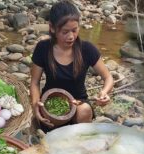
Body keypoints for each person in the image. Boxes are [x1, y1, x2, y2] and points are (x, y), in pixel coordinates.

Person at [30, 1, 114, 131]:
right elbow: (35, 82)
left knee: (84, 111)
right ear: (52, 28)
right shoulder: (43, 48)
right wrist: (36, 104)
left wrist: (104, 93)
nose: (71, 37)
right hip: (50, 104)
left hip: (79, 103)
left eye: (74, 30)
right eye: (65, 32)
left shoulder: (87, 49)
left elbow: (108, 77)